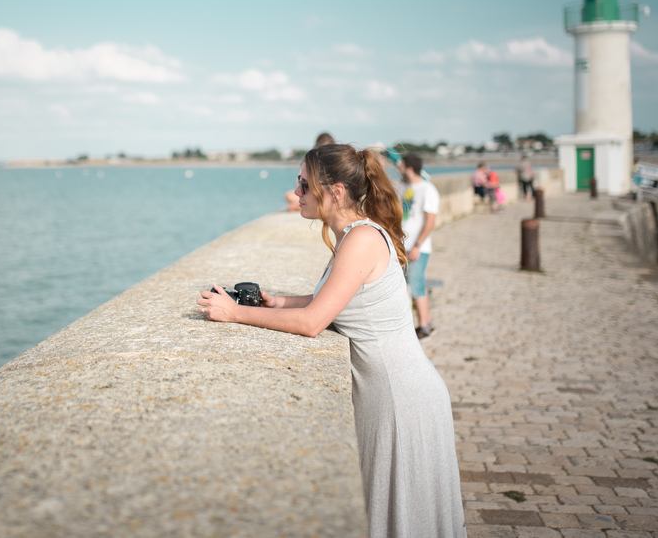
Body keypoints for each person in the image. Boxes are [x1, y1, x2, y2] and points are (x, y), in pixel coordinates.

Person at [198, 144, 466, 537]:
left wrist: (234, 313)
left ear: (336, 192)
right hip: (392, 392)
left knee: (403, 521)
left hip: (401, 399)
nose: (297, 193)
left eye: (305, 185)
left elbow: (313, 321)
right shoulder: (353, 234)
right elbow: (330, 301)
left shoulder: (361, 239)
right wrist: (276, 301)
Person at [398, 153, 440, 339]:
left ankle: (424, 324)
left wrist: (417, 245)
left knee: (417, 284)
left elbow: (430, 221)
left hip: (418, 247)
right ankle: (417, 323)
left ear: (409, 167)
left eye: (401, 165)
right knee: (404, 285)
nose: (398, 168)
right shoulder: (403, 187)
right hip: (402, 245)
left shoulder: (427, 189)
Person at [285, 132, 337, 211]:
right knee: (289, 195)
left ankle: (300, 205)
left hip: (319, 195)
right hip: (316, 194)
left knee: (291, 196)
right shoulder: (312, 162)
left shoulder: (314, 162)